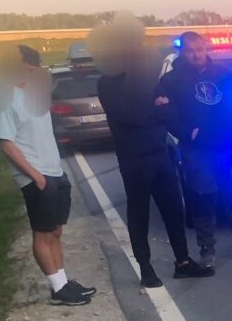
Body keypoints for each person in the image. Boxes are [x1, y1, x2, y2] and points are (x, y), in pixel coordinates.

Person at [91, 15, 213, 288]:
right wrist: (156, 109)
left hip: (160, 152)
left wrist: (158, 109)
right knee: (139, 213)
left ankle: (183, 262)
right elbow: (129, 115)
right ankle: (145, 267)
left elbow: (168, 109)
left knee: (174, 209)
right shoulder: (108, 82)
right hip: (134, 158)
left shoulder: (145, 77)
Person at [0, 45, 97, 307]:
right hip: (36, 176)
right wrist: (35, 176)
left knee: (56, 231)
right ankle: (57, 289)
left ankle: (62, 282)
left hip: (55, 172)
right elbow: (6, 143)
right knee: (42, 233)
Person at [156, 31, 232, 267]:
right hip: (197, 150)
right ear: (182, 52)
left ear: (206, 49)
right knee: (204, 196)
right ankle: (207, 250)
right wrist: (188, 133)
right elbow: (166, 114)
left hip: (227, 145)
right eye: (191, 51)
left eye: (200, 49)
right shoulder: (170, 81)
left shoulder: (223, 75)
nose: (197, 55)